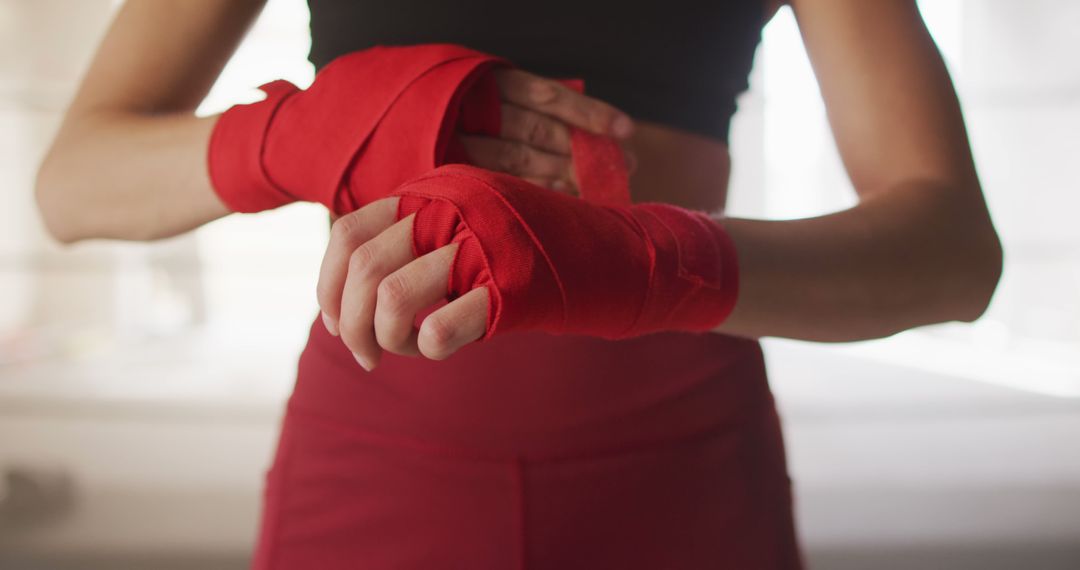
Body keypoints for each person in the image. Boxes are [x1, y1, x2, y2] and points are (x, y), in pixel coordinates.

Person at [35, 0, 1003, 568]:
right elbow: (72, 183)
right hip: (373, 474)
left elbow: (957, 251)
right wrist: (296, 133)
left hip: (678, 478)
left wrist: (641, 260)